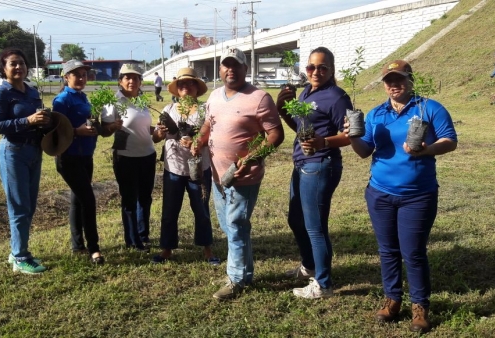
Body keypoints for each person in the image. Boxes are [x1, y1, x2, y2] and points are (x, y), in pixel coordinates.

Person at [345, 60, 457, 333]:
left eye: (400, 79)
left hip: (418, 195)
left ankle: (419, 306)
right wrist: (351, 137)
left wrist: (427, 149)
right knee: (388, 251)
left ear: (410, 80)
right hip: (380, 193)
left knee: (414, 252)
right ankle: (392, 300)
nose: (394, 84)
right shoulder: (376, 114)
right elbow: (364, 151)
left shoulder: (429, 108)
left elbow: (450, 141)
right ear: (383, 83)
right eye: (388, 80)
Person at [193, 48, 285, 300]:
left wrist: (252, 158)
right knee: (229, 225)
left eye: (236, 65)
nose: (231, 70)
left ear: (246, 68)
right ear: (220, 69)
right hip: (217, 176)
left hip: (244, 176)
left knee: (235, 226)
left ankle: (236, 279)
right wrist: (199, 141)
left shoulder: (259, 98)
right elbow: (208, 124)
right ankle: (242, 272)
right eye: (226, 65)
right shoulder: (214, 96)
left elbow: (276, 135)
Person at [275, 46, 352, 299]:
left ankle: (324, 284)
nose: (315, 71)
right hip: (301, 163)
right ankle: (309, 266)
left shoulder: (338, 97)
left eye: (322, 67)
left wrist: (323, 142)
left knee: (315, 227)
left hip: (321, 165)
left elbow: (349, 136)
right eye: (311, 67)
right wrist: (283, 108)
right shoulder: (306, 92)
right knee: (295, 220)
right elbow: (300, 128)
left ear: (331, 70)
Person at [0, 48, 49, 274]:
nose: (18, 67)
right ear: (3, 68)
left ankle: (16, 249)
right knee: (19, 206)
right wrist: (28, 120)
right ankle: (20, 257)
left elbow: (38, 119)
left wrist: (45, 120)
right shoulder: (1, 94)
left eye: (21, 63)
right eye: (12, 63)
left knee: (29, 205)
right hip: (13, 152)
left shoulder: (31, 92)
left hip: (34, 151)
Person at [150, 67, 219, 265]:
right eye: (182, 84)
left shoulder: (205, 110)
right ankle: (167, 249)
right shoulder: (168, 110)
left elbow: (213, 137)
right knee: (170, 211)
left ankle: (207, 248)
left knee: (202, 209)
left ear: (197, 88)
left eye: (190, 83)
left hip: (199, 168)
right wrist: (160, 134)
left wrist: (196, 143)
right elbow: (155, 137)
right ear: (177, 89)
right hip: (173, 168)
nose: (186, 87)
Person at [52, 60, 105, 264]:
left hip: (86, 156)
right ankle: (94, 249)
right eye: (77, 75)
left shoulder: (83, 97)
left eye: (84, 74)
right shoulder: (62, 100)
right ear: (66, 77)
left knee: (77, 200)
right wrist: (77, 131)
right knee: (88, 200)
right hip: (69, 158)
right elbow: (56, 131)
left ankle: (77, 245)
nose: (81, 78)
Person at [101, 64, 156, 252]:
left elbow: (143, 127)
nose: (132, 81)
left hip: (148, 155)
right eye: (127, 78)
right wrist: (112, 127)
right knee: (130, 200)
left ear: (141, 81)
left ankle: (143, 235)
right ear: (120, 81)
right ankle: (132, 240)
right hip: (126, 157)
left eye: (136, 78)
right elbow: (105, 131)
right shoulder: (113, 102)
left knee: (145, 198)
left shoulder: (141, 101)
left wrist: (157, 131)